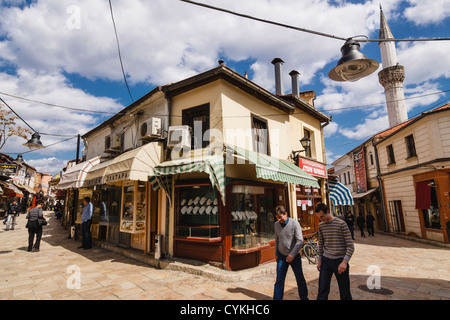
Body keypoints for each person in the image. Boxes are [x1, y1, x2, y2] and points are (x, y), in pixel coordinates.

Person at [315, 203, 354, 300]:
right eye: (319, 218)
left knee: (345, 292)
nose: (321, 219)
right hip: (326, 261)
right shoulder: (321, 226)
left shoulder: (341, 224)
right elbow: (321, 243)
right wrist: (320, 260)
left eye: (322, 217)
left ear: (328, 211)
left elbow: (350, 246)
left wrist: (344, 262)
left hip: (340, 261)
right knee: (322, 290)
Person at [273, 205, 308, 300]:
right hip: (281, 256)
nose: (279, 219)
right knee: (279, 280)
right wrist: (276, 254)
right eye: (277, 217)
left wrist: (292, 254)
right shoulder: (276, 224)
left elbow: (300, 241)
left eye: (280, 217)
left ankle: (304, 298)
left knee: (300, 279)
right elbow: (277, 240)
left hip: (294, 256)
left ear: (286, 214)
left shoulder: (294, 223)